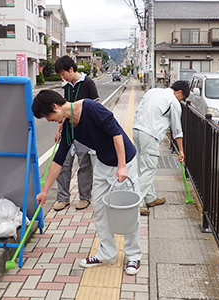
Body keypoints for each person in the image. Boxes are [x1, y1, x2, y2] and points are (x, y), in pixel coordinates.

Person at [32, 90, 142, 275]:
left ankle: (134, 256)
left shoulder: (91, 108)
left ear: (54, 106)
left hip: (124, 162)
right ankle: (106, 253)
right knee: (99, 211)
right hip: (102, 163)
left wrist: (122, 166)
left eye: (47, 116)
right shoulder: (68, 127)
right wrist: (45, 190)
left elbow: (116, 134)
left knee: (127, 212)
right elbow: (59, 159)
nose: (49, 120)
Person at [133, 80, 190, 216]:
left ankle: (150, 198)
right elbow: (177, 130)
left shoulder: (152, 91)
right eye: (183, 98)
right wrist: (181, 150)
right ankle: (136, 203)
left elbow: (138, 110)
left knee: (142, 166)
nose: (181, 101)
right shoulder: (174, 102)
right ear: (179, 92)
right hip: (150, 135)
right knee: (149, 168)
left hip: (137, 130)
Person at [53, 55, 100, 211]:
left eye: (62, 73)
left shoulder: (88, 83)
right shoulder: (67, 86)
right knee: (63, 163)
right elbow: (64, 110)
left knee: (84, 164)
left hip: (84, 132)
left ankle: (84, 197)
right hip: (68, 130)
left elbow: (97, 107)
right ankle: (63, 198)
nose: (62, 77)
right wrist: (59, 128)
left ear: (71, 69)